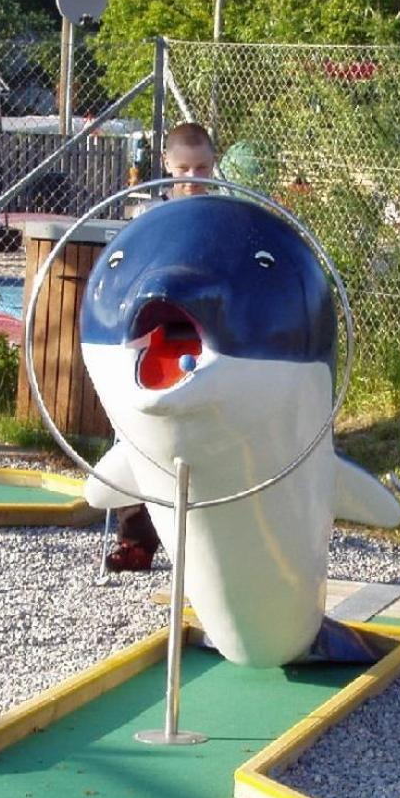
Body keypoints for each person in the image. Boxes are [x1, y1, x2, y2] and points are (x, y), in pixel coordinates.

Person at [105, 122, 219, 572]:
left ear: (215, 165)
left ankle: (213, 542)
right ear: (168, 167)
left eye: (203, 167)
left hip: (209, 339)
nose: (193, 177)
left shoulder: (223, 219)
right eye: (184, 168)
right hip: (156, 338)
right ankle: (135, 537)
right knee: (138, 433)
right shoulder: (151, 220)